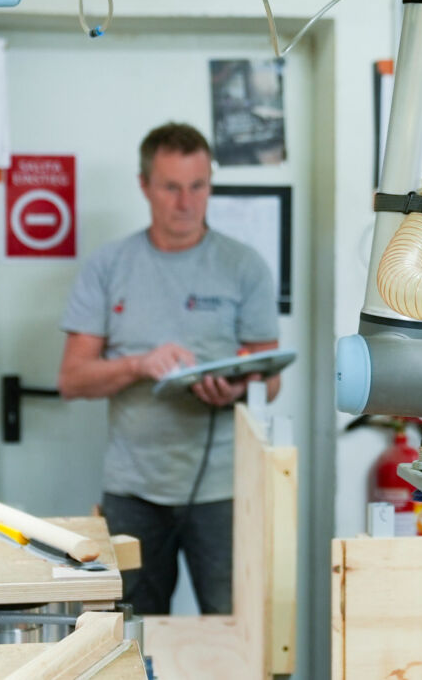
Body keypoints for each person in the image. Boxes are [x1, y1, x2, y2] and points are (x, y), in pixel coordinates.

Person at [57, 122, 280, 615]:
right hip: (134, 489)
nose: (186, 202)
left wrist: (235, 389)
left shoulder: (244, 266)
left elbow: (270, 375)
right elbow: (71, 379)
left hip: (224, 487)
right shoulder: (109, 265)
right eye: (171, 187)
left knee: (233, 626)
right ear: (144, 186)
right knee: (132, 630)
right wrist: (139, 364)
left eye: (198, 186)